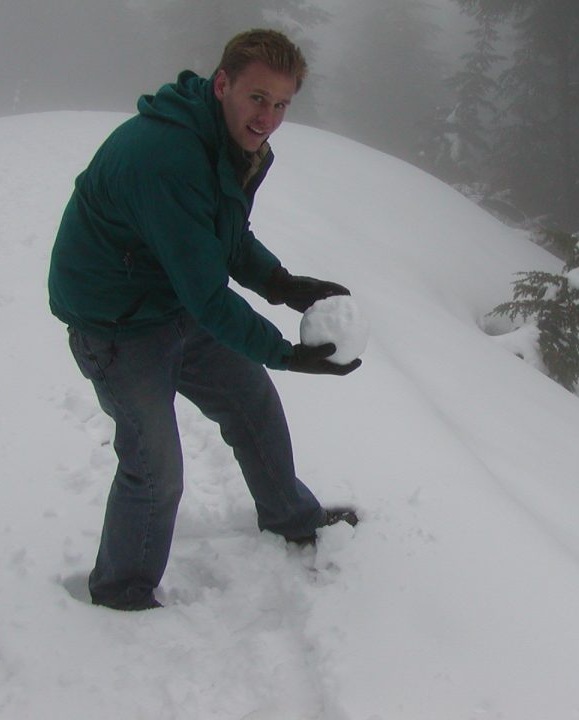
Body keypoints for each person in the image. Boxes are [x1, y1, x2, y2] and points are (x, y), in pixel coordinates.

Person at [48, 29, 360, 611]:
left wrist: (281, 284)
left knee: (252, 403)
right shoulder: (168, 158)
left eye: (282, 104)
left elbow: (221, 235)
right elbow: (207, 294)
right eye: (257, 98)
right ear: (223, 85)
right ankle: (122, 594)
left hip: (167, 296)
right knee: (154, 466)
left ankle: (292, 518)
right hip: (114, 322)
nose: (268, 116)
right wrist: (287, 352)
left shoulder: (227, 141)